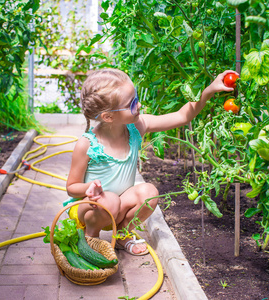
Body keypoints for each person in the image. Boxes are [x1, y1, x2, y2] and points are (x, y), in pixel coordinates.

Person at [65, 68, 237, 255]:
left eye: (136, 98)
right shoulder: (87, 144)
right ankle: (90, 239)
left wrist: (209, 91)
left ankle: (121, 234)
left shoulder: (136, 128)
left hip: (119, 207)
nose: (139, 105)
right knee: (110, 200)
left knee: (149, 193)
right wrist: (89, 188)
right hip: (91, 209)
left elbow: (181, 116)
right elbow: (71, 186)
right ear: (108, 116)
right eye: (132, 104)